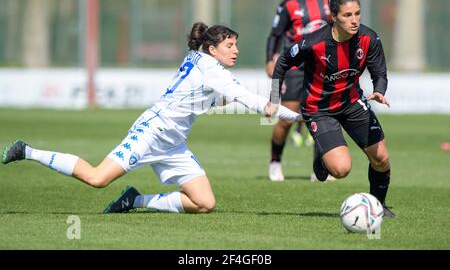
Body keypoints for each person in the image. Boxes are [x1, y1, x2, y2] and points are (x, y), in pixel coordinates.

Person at [1, 22, 301, 214]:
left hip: (173, 143)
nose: (235, 51)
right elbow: (260, 104)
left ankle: (136, 200)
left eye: (235, 44)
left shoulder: (196, 57)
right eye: (229, 46)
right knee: (96, 178)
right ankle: (26, 150)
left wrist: (222, 98)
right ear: (213, 49)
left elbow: (211, 95)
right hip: (152, 132)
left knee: (205, 203)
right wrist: (302, 115)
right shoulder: (214, 72)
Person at [267, 0, 396, 217]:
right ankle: (323, 154)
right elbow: (283, 62)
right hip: (318, 109)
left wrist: (379, 91)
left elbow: (380, 73)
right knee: (341, 170)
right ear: (333, 17)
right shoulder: (313, 43)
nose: (354, 20)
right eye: (347, 15)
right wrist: (275, 99)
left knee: (381, 157)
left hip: (352, 103)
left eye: (357, 13)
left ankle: (378, 206)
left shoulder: (369, 38)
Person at [265, 0, 333, 182]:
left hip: (322, 64)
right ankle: (275, 161)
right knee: (286, 117)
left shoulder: (328, 1)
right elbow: (275, 34)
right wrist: (269, 59)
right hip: (295, 66)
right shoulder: (289, 3)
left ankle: (319, 168)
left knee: (321, 115)